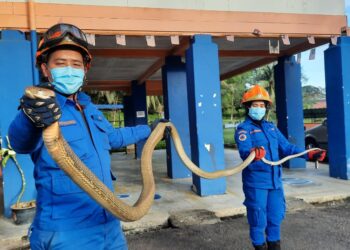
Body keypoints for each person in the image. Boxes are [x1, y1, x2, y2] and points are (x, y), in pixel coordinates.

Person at [8, 23, 152, 250]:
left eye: (76, 64)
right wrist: (29, 116)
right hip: (67, 233)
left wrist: (150, 129)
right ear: (46, 69)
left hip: (109, 224)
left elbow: (114, 137)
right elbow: (20, 142)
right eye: (60, 63)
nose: (69, 69)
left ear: (85, 70)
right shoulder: (41, 108)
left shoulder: (89, 107)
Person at [234, 85, 326, 250]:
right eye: (255, 105)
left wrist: (309, 154)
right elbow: (243, 151)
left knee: (275, 217)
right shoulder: (243, 129)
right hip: (256, 183)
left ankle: (275, 246)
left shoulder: (271, 127)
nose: (259, 108)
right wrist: (253, 152)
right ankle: (259, 246)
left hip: (275, 182)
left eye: (262, 105)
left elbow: (287, 148)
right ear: (248, 107)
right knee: (258, 218)